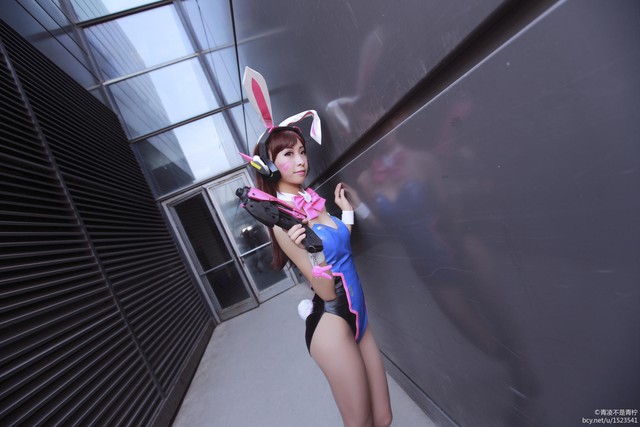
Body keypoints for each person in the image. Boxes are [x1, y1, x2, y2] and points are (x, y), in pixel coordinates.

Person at [249, 126, 392, 427]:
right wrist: (312, 250)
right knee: (360, 423)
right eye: (288, 154)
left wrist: (346, 213)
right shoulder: (283, 221)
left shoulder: (311, 199)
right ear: (269, 166)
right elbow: (326, 290)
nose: (300, 160)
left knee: (383, 417)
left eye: (302, 152)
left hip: (359, 314)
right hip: (331, 321)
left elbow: (339, 245)